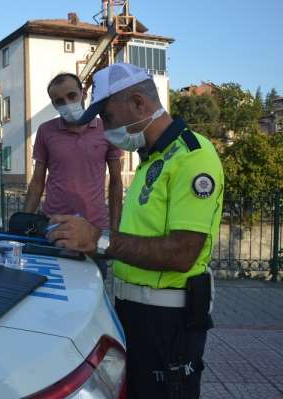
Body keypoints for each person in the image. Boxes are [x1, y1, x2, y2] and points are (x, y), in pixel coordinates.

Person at [47, 63, 224, 399]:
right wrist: (89, 237)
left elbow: (182, 252)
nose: (106, 129)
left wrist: (99, 240)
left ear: (139, 104)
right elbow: (139, 235)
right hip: (136, 313)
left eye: (109, 118)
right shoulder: (152, 158)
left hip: (168, 322)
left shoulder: (192, 157)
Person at [23, 72, 123, 278]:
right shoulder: (46, 131)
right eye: (59, 101)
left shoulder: (107, 128)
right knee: (53, 290)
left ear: (83, 94)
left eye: (72, 96)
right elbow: (37, 182)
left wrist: (113, 230)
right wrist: (24, 223)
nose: (67, 103)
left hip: (94, 230)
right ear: (53, 104)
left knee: (92, 291)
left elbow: (115, 182)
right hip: (54, 227)